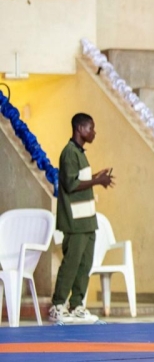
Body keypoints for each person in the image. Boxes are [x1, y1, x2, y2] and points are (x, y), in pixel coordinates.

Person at [49, 113, 115, 324]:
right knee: (71, 263)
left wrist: (96, 178)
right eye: (90, 128)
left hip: (87, 219)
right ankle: (58, 305)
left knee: (84, 264)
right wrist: (96, 182)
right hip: (74, 220)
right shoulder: (69, 153)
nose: (94, 132)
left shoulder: (79, 153)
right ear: (79, 128)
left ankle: (76, 305)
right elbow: (70, 184)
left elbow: (79, 180)